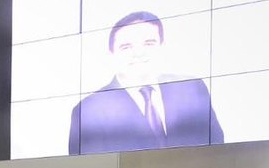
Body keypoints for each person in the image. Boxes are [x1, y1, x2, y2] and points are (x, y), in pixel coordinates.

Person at [69, 11, 224, 156]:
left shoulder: (192, 88)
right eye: (126, 47)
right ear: (111, 53)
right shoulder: (88, 111)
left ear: (162, 46)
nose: (139, 53)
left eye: (149, 43)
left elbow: (218, 152)